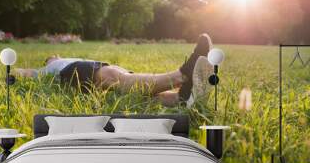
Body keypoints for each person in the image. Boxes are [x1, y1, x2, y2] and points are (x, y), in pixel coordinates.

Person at [15, 34, 214, 107]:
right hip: (71, 72)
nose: (55, 55)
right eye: (53, 56)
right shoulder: (49, 67)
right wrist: (15, 72)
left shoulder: (66, 61)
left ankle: (183, 97)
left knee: (136, 92)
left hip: (90, 68)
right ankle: (183, 75)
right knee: (115, 77)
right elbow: (22, 72)